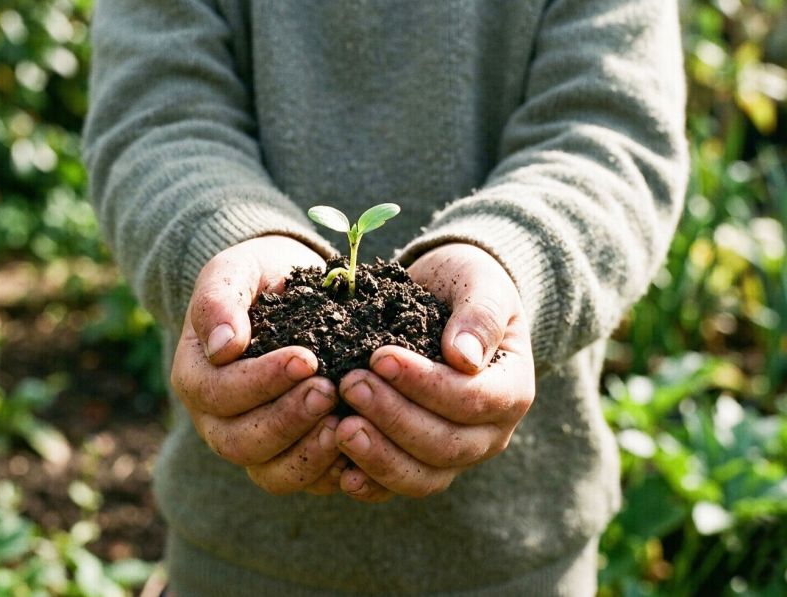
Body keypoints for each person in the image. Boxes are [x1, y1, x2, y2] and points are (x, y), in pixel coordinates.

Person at [82, 0, 688, 594]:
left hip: (515, 557)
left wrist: (512, 258)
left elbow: (615, 133)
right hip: (236, 556)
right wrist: (229, 242)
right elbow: (156, 119)